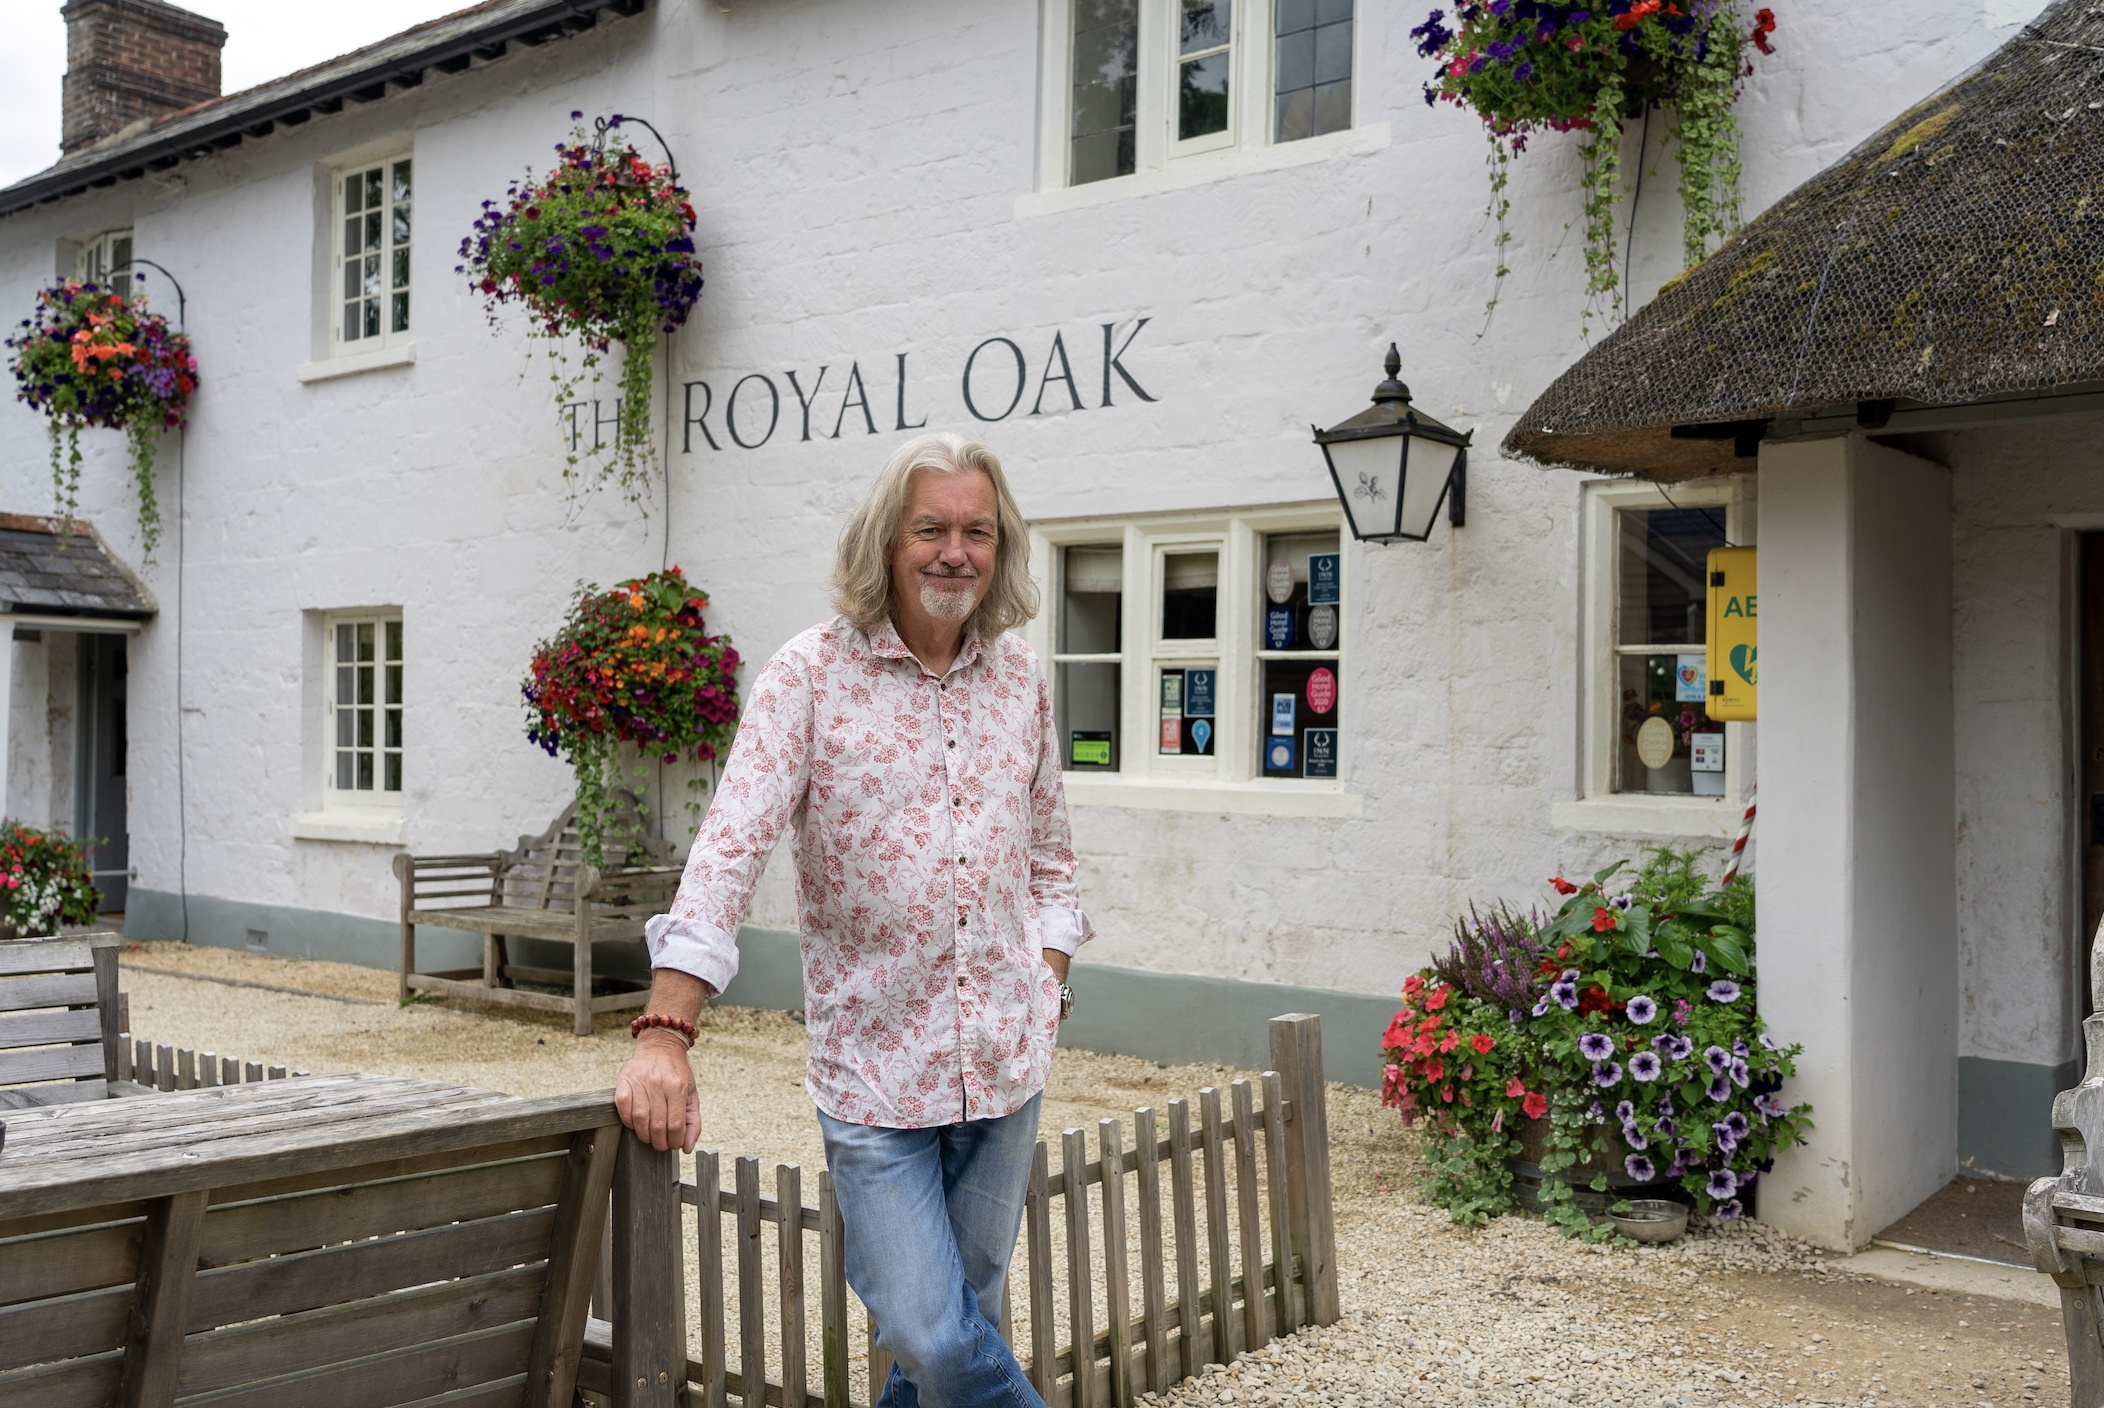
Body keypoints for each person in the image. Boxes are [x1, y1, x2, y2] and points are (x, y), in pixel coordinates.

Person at [615, 432, 1091, 1408]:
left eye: (976, 531)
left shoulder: (1020, 682)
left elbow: (1051, 854)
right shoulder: (808, 676)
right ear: (886, 540)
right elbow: (729, 845)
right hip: (876, 1074)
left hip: (1005, 1060)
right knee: (934, 1331)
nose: (954, 551)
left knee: (946, 1353)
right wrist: (667, 1028)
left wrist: (1046, 978)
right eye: (931, 528)